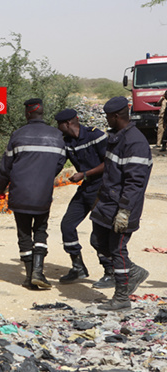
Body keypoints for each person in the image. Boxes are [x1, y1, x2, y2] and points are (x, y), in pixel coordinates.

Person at [0, 98, 66, 290]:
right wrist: (45, 176)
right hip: (43, 194)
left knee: (24, 233)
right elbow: (59, 163)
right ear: (42, 113)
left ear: (28, 113)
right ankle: (38, 271)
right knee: (41, 230)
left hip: (20, 193)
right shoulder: (57, 135)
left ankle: (29, 277)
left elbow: (6, 167)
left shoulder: (18, 135)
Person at [90, 96, 152, 311]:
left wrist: (124, 211)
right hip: (107, 203)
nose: (106, 119)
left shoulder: (135, 143)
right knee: (97, 241)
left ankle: (122, 297)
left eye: (108, 116)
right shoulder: (116, 137)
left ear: (116, 116)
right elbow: (109, 171)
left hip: (124, 206)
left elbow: (135, 182)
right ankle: (134, 272)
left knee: (117, 249)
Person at [54, 109, 114, 288]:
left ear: (67, 124)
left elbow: (109, 162)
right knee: (67, 225)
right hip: (86, 188)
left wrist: (84, 173)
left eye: (59, 125)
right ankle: (78, 267)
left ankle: (110, 272)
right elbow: (58, 164)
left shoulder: (95, 135)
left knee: (99, 234)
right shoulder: (67, 142)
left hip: (102, 188)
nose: (58, 128)